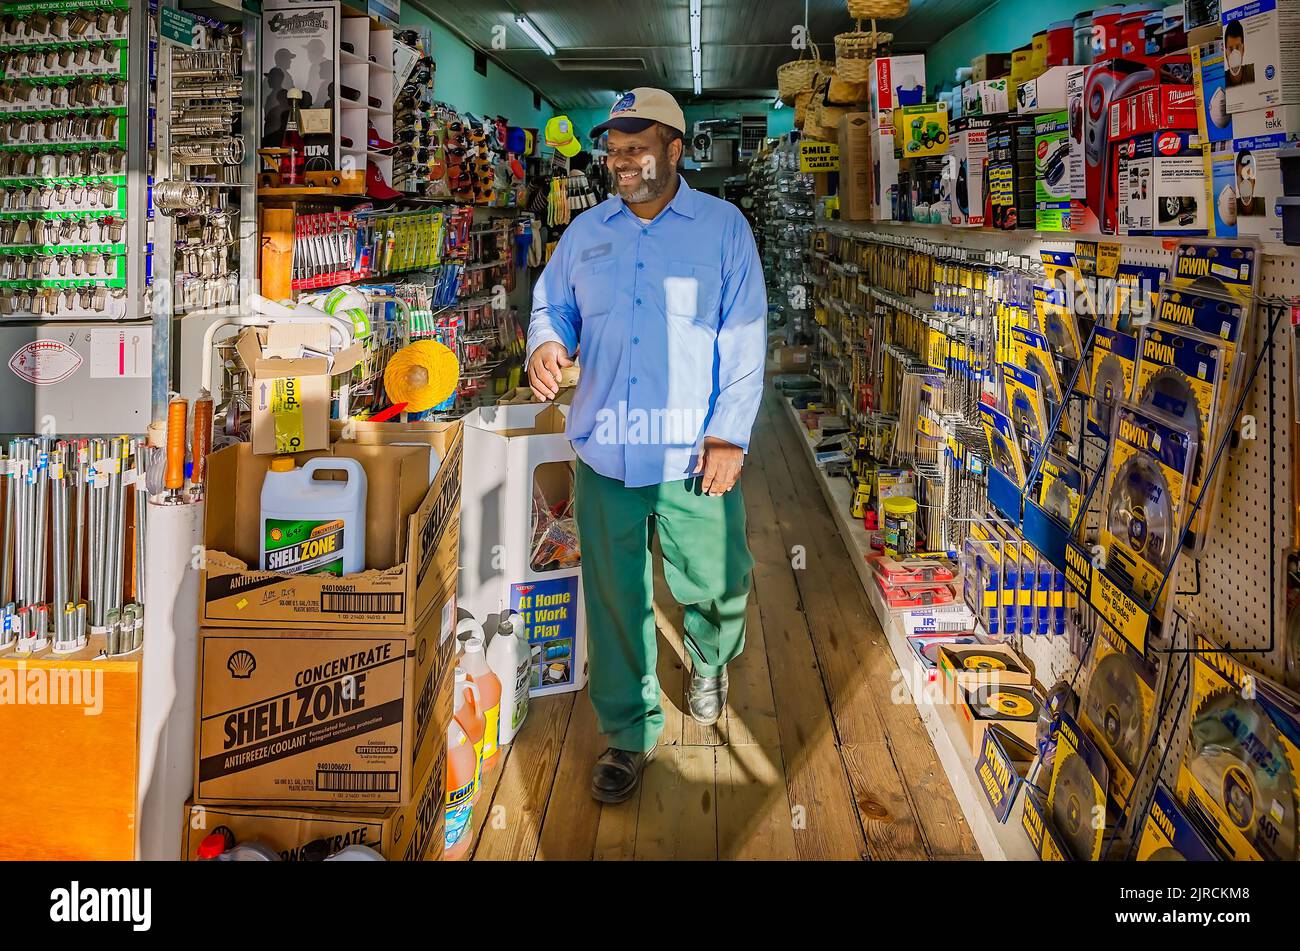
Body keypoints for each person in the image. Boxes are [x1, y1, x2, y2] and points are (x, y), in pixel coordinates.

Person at [526, 88, 767, 803]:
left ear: (674, 150)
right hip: (606, 452)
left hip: (695, 452)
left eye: (636, 146)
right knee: (615, 597)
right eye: (613, 147)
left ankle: (709, 657)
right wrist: (546, 340)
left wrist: (730, 431)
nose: (621, 160)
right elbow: (553, 303)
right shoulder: (585, 233)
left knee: (719, 581)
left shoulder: (723, 229)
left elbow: (745, 334)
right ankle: (629, 731)